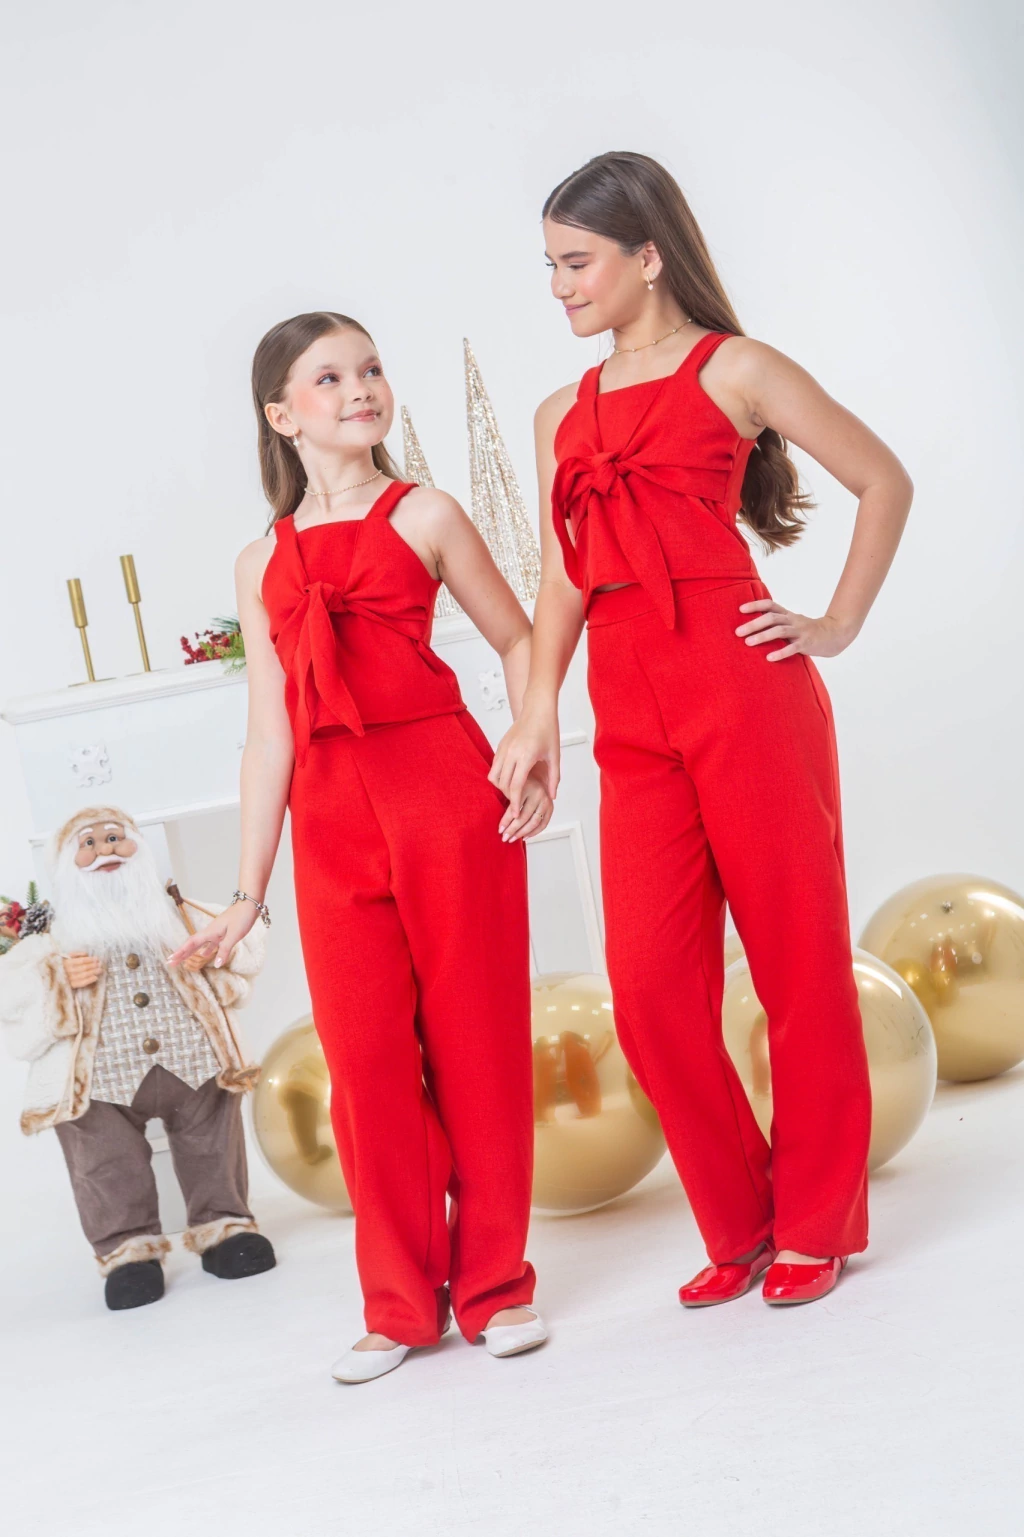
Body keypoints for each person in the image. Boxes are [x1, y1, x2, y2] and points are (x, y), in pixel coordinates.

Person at [491, 152, 913, 1308]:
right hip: (626, 708)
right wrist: (538, 713)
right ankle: (741, 1219)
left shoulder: (737, 368)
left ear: (647, 256)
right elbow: (565, 576)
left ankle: (816, 1222)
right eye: (550, 266)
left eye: (575, 262)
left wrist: (833, 622)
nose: (559, 286)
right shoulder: (558, 412)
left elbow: (883, 480)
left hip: (742, 686)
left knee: (795, 962)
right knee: (648, 989)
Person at [169, 312, 549, 1380]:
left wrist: (531, 746)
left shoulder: (425, 510)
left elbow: (518, 637)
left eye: (371, 369)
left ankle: (496, 1285)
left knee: (476, 1042)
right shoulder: (260, 560)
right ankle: (398, 1303)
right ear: (281, 415)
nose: (360, 389)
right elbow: (269, 732)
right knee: (366, 1065)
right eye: (329, 378)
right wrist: (246, 893)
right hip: (330, 818)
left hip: (446, 792)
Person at [0, 806, 274, 1310]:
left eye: (115, 837)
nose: (105, 849)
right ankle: (128, 1251)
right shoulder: (53, 941)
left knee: (212, 1140)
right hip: (99, 1083)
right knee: (104, 1162)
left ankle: (224, 1226)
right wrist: (56, 978)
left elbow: (247, 941)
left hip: (194, 1062)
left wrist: (212, 952)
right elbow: (9, 995)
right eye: (88, 843)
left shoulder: (178, 915)